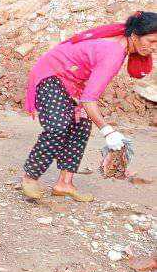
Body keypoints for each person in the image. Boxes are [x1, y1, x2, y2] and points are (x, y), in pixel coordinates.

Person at [21, 11, 156, 203]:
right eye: (151, 41)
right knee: (58, 126)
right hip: (53, 74)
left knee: (82, 125)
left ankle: (64, 184)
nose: (154, 47)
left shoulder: (122, 43)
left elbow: (88, 94)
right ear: (134, 36)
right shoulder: (114, 53)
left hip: (74, 81)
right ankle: (30, 177)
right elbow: (89, 100)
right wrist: (108, 131)